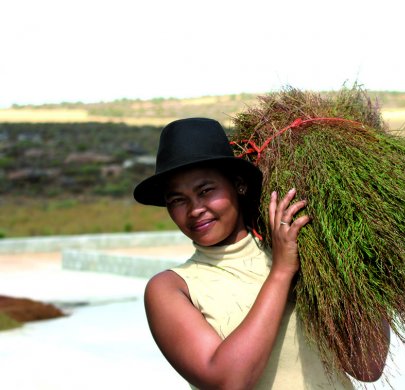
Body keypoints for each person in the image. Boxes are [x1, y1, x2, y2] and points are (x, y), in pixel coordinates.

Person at [133, 118, 388, 389]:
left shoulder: (305, 254)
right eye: (177, 200)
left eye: (206, 191)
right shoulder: (171, 289)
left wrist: (362, 264)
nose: (195, 209)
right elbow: (227, 382)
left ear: (239, 186)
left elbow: (367, 366)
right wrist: (280, 273)